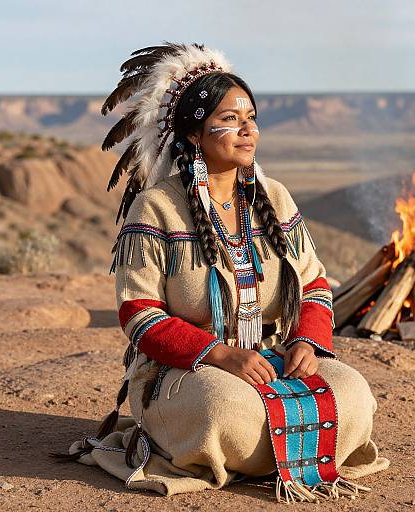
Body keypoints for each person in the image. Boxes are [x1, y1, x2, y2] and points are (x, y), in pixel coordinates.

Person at [58, 42, 390, 503]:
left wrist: (306, 344)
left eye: (250, 117)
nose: (247, 129)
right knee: (226, 409)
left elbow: (314, 284)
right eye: (230, 119)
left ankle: (246, 452)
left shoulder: (274, 197)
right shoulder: (157, 208)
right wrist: (221, 355)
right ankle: (234, 443)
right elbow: (139, 314)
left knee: (353, 395)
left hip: (271, 359)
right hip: (186, 371)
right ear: (194, 134)